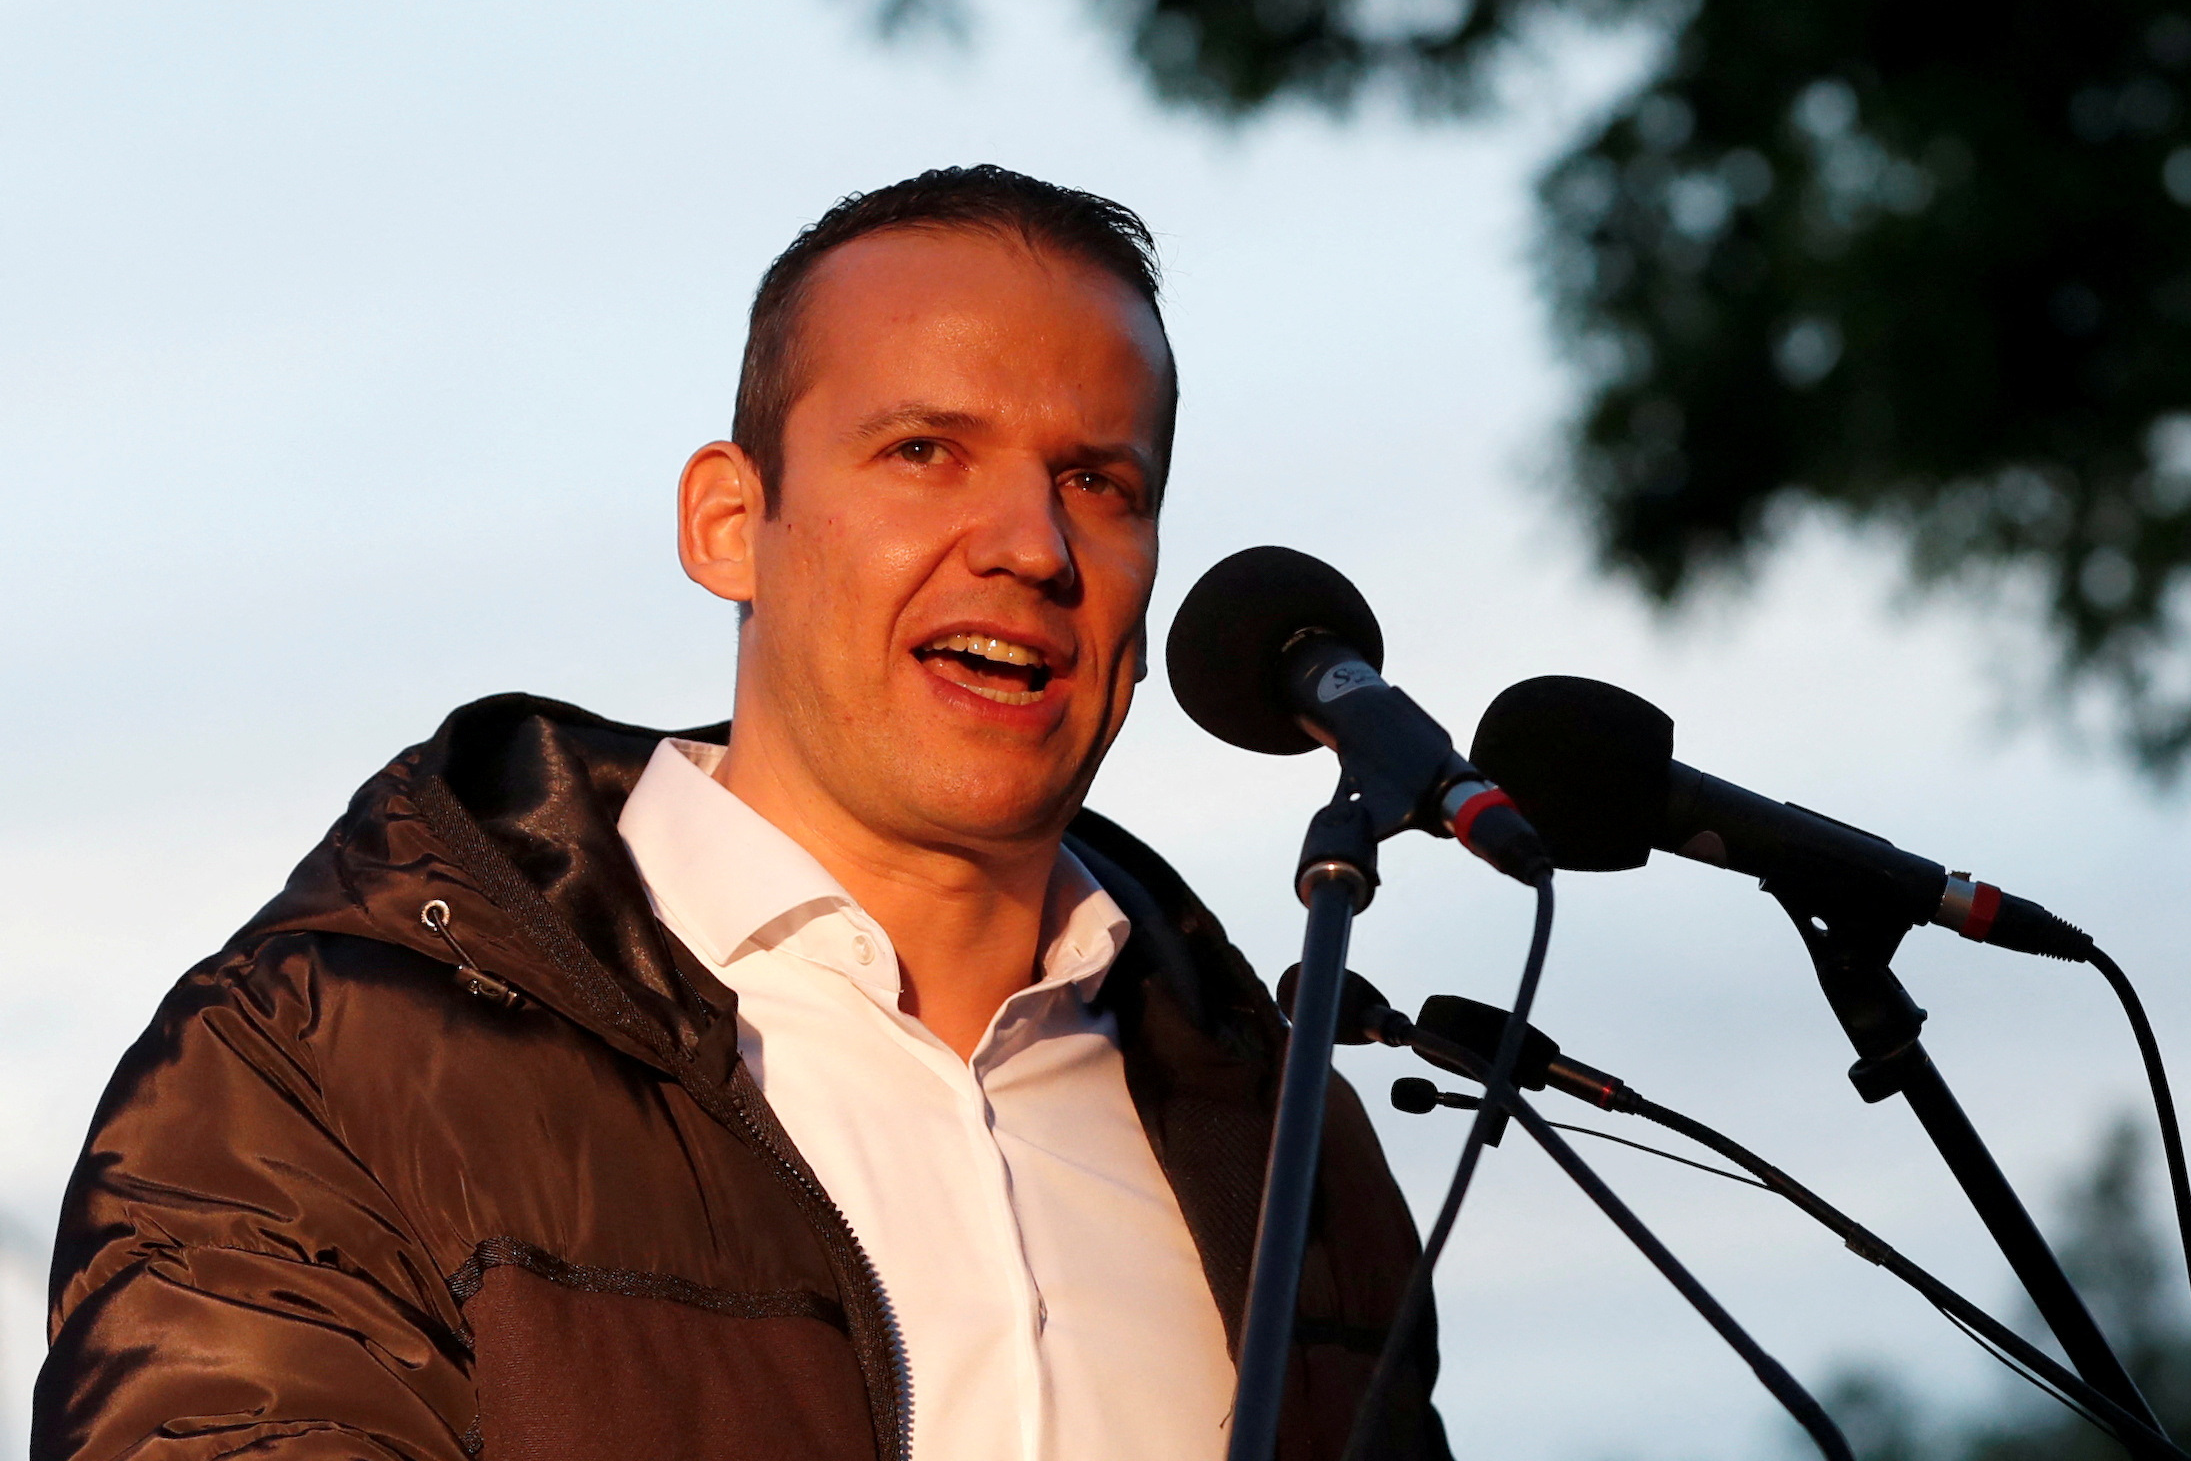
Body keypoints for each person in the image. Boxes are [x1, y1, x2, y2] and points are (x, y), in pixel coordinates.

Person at [34, 166, 1449, 1461]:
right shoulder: (319, 1058)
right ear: (728, 522)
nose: (1032, 545)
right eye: (923, 451)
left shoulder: (1281, 1131)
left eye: (1097, 481)